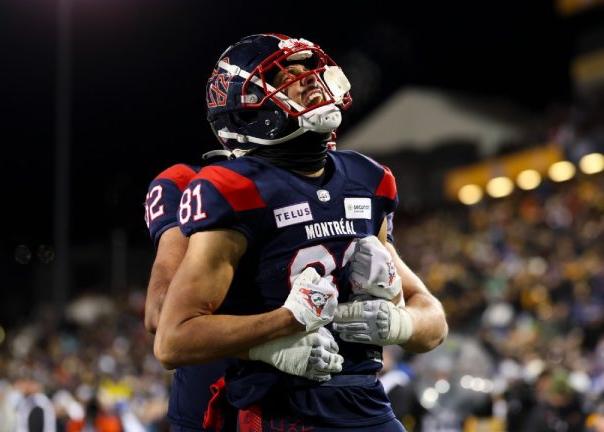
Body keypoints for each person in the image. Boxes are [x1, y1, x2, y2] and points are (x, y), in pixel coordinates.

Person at [154, 33, 447, 430]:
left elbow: (433, 321)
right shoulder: (233, 188)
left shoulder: (366, 178)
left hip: (364, 399)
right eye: (286, 75)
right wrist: (278, 330)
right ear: (246, 107)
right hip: (277, 405)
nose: (310, 80)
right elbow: (171, 337)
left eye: (311, 70)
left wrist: (399, 323)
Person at [144, 153, 343, 431]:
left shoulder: (348, 186)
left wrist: (395, 321)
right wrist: (268, 342)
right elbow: (159, 315)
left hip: (314, 400)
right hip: (214, 401)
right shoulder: (197, 187)